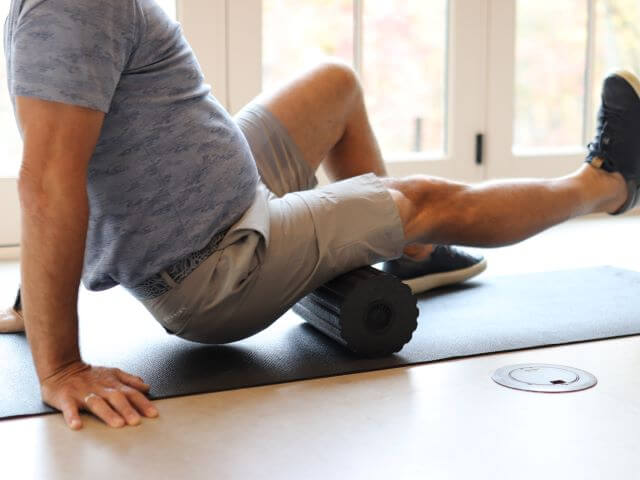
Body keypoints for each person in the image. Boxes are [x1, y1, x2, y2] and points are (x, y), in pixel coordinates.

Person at [1, 0, 637, 431]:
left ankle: (409, 257)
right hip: (219, 266)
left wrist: (34, 300)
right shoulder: (71, 7)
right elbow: (50, 180)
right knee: (428, 201)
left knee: (334, 83)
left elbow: (77, 149)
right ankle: (607, 184)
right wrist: (61, 367)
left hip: (229, 197)